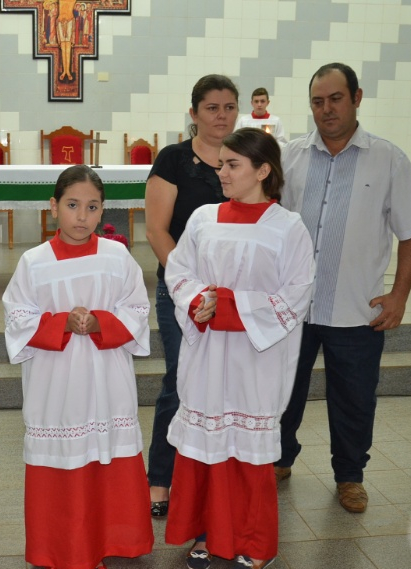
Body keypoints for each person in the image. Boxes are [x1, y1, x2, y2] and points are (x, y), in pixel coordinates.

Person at [275, 63, 411, 513]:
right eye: (317, 101)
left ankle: (349, 476)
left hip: (357, 309)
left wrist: (400, 295)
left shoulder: (389, 159)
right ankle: (279, 459)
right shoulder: (289, 158)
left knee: (354, 400)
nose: (326, 109)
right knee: (283, 392)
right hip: (294, 309)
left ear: (357, 97)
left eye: (335, 99)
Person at [164, 128, 314, 569]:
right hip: (207, 350)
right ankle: (206, 533)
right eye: (221, 164)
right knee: (205, 445)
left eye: (233, 165)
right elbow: (179, 270)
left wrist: (226, 305)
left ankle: (255, 542)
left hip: (255, 355)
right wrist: (195, 300)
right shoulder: (203, 218)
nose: (221, 171)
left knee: (246, 452)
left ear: (263, 170)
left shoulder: (288, 227)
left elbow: (297, 293)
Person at [3, 164, 154, 569]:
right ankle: (61, 549)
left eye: (91, 207)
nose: (82, 216)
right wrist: (61, 324)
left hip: (106, 380)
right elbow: (17, 317)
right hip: (57, 382)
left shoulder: (117, 256)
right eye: (72, 205)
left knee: (104, 454)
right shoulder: (33, 262)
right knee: (63, 462)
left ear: (103, 209)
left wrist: (102, 322)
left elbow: (138, 309)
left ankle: (107, 543)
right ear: (53, 207)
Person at [144, 74, 238, 518]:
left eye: (229, 107)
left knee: (224, 388)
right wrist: (188, 283)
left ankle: (210, 481)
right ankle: (160, 480)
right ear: (194, 113)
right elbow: (157, 229)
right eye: (212, 108)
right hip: (182, 292)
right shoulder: (175, 159)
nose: (222, 116)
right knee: (180, 383)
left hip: (233, 296)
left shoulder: (246, 158)